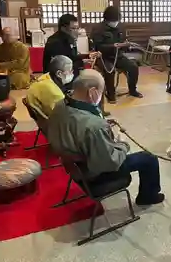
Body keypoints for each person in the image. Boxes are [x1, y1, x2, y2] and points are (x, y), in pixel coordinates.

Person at [47, 69, 164, 205]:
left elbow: (76, 124)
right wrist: (122, 144)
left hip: (74, 166)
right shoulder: (94, 127)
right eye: (101, 93)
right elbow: (110, 163)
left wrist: (101, 126)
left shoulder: (60, 105)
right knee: (149, 159)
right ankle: (147, 197)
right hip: (93, 175)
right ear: (92, 92)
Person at [91, 6, 143, 102]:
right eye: (114, 20)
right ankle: (111, 94)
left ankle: (132, 90)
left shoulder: (119, 27)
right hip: (103, 57)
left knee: (133, 66)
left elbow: (122, 42)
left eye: (117, 20)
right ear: (107, 19)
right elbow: (98, 47)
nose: (116, 22)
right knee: (110, 71)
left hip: (117, 56)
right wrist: (113, 46)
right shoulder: (98, 29)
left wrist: (127, 45)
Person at [43, 14, 98, 79]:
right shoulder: (55, 43)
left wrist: (88, 56)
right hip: (58, 81)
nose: (77, 32)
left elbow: (71, 57)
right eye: (73, 28)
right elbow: (63, 66)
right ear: (63, 28)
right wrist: (82, 63)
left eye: (77, 28)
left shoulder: (69, 39)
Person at [26, 55, 73, 120]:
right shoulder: (53, 92)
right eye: (70, 71)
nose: (72, 73)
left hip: (43, 119)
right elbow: (64, 116)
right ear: (59, 73)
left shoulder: (45, 77)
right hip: (53, 124)